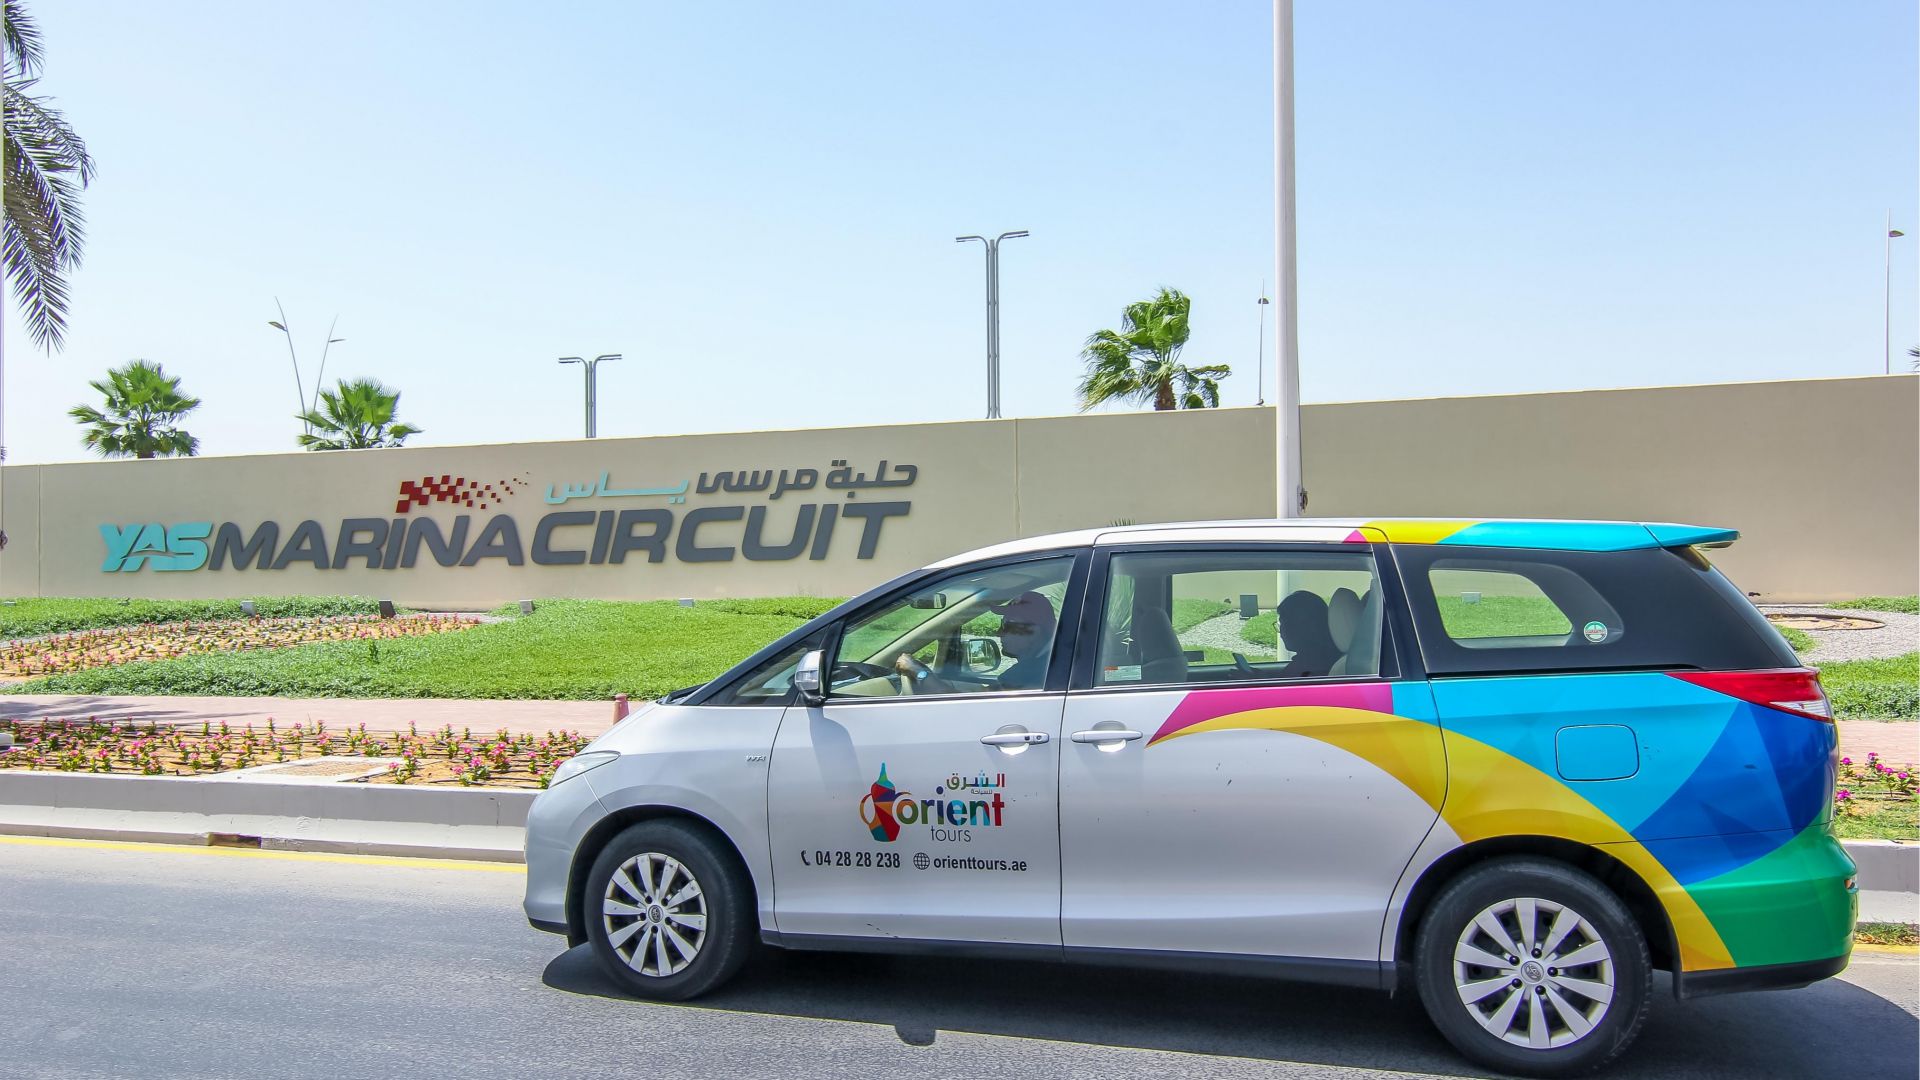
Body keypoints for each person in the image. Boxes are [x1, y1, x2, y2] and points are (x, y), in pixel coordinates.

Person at [993, 590, 1058, 690]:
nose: (998, 633)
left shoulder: (1025, 675)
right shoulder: (1059, 662)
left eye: (1006, 626)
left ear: (1033, 631)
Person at [1274, 590, 1341, 678]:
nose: (1281, 631)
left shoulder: (1306, 667)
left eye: (1285, 623)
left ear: (1309, 625)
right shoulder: (1330, 659)